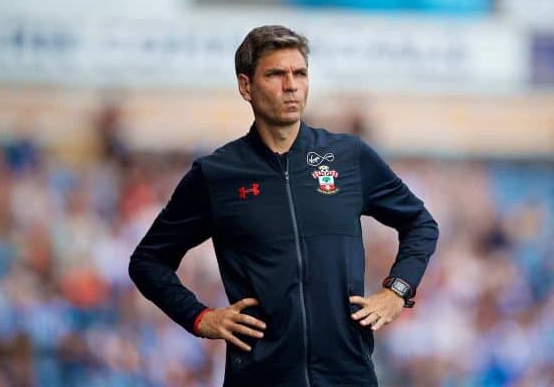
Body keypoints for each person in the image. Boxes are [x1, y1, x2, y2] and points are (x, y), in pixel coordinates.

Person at [129, 25, 439, 387]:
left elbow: (420, 223)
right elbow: (147, 262)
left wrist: (397, 291)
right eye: (276, 74)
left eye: (300, 73)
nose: (291, 85)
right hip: (260, 377)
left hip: (348, 374)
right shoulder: (216, 174)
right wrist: (200, 318)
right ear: (246, 86)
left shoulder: (348, 156)